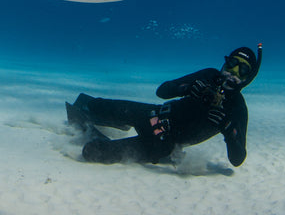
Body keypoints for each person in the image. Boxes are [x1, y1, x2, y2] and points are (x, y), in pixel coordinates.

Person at [66, 44, 262, 167]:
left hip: (162, 144)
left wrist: (228, 132)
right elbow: (162, 91)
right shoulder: (208, 76)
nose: (232, 72)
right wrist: (187, 87)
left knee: (93, 152)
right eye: (231, 64)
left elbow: (237, 160)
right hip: (154, 115)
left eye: (242, 70)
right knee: (96, 105)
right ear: (224, 64)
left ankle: (109, 136)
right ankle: (105, 119)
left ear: (248, 78)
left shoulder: (236, 108)